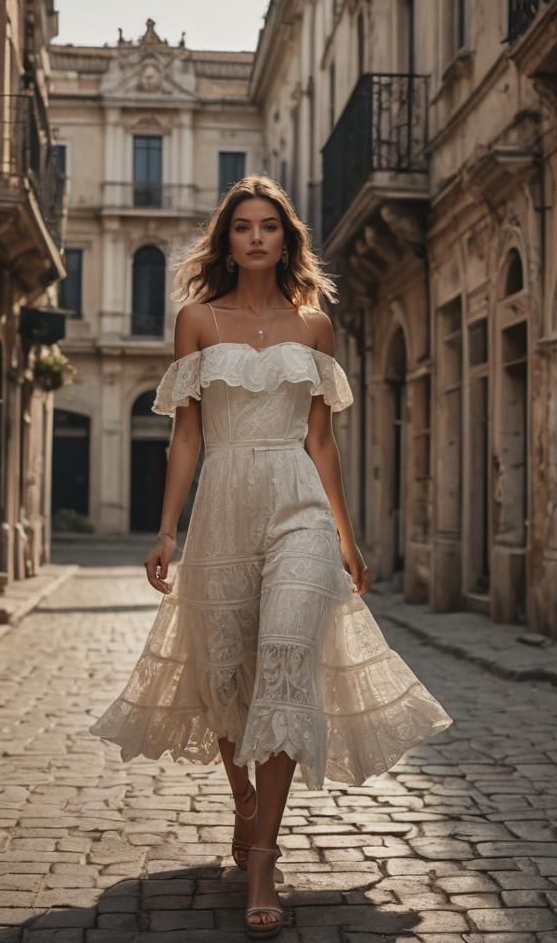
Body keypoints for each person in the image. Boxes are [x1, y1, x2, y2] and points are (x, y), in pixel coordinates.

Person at [91, 174, 452, 938]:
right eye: (243, 227)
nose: (256, 237)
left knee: (286, 660)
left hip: (298, 507)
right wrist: (165, 532)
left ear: (287, 240)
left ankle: (263, 857)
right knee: (225, 676)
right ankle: (243, 798)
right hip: (222, 503)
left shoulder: (314, 328)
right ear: (227, 240)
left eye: (270, 227)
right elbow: (185, 434)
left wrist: (347, 539)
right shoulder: (195, 320)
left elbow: (323, 441)